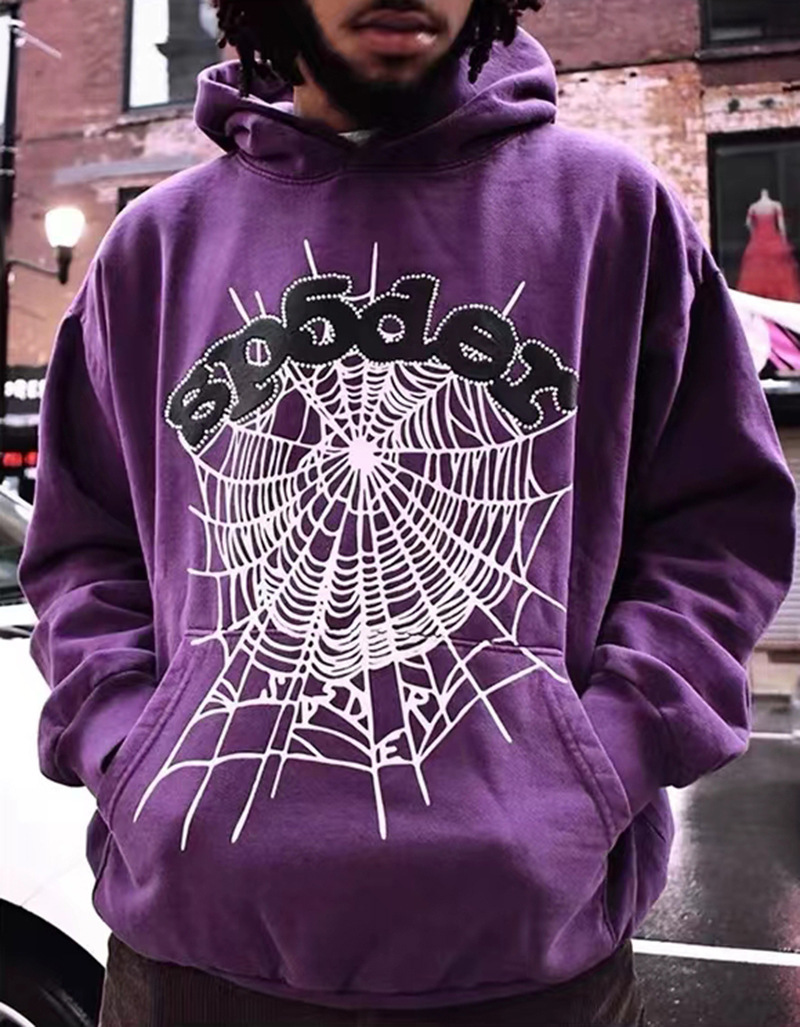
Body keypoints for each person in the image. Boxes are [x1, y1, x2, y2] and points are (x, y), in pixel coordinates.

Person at [19, 1, 796, 1025]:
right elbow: (82, 552)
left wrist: (601, 761)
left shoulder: (614, 213)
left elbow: (717, 532)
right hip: (189, 961)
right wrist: (133, 756)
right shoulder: (152, 250)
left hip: (533, 968)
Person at [737, 188, 800, 303]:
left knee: (758, 265)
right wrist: (783, 239)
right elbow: (781, 225)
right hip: (772, 237)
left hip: (758, 238)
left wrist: (754, 232)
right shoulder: (775, 205)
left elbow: (748, 223)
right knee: (777, 265)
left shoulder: (754, 207)